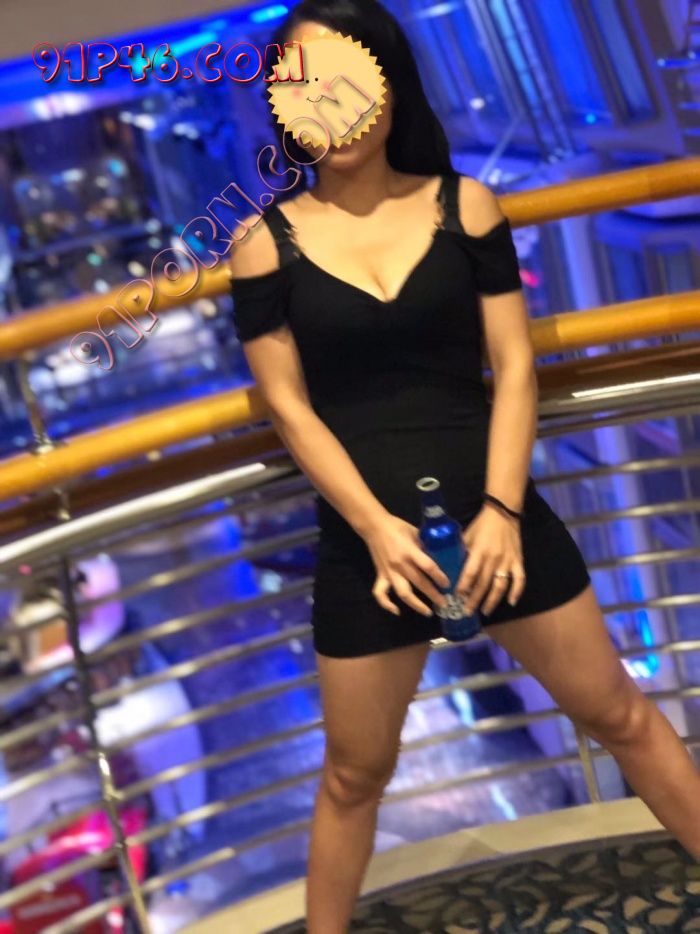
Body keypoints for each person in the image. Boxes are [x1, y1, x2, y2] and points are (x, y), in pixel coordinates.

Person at [228, 2, 700, 930]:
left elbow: (515, 367)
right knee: (353, 775)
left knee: (621, 715)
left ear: (389, 82)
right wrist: (376, 531)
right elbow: (289, 407)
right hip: (369, 546)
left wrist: (503, 511)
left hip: (501, 522)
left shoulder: (466, 205)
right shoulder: (261, 244)